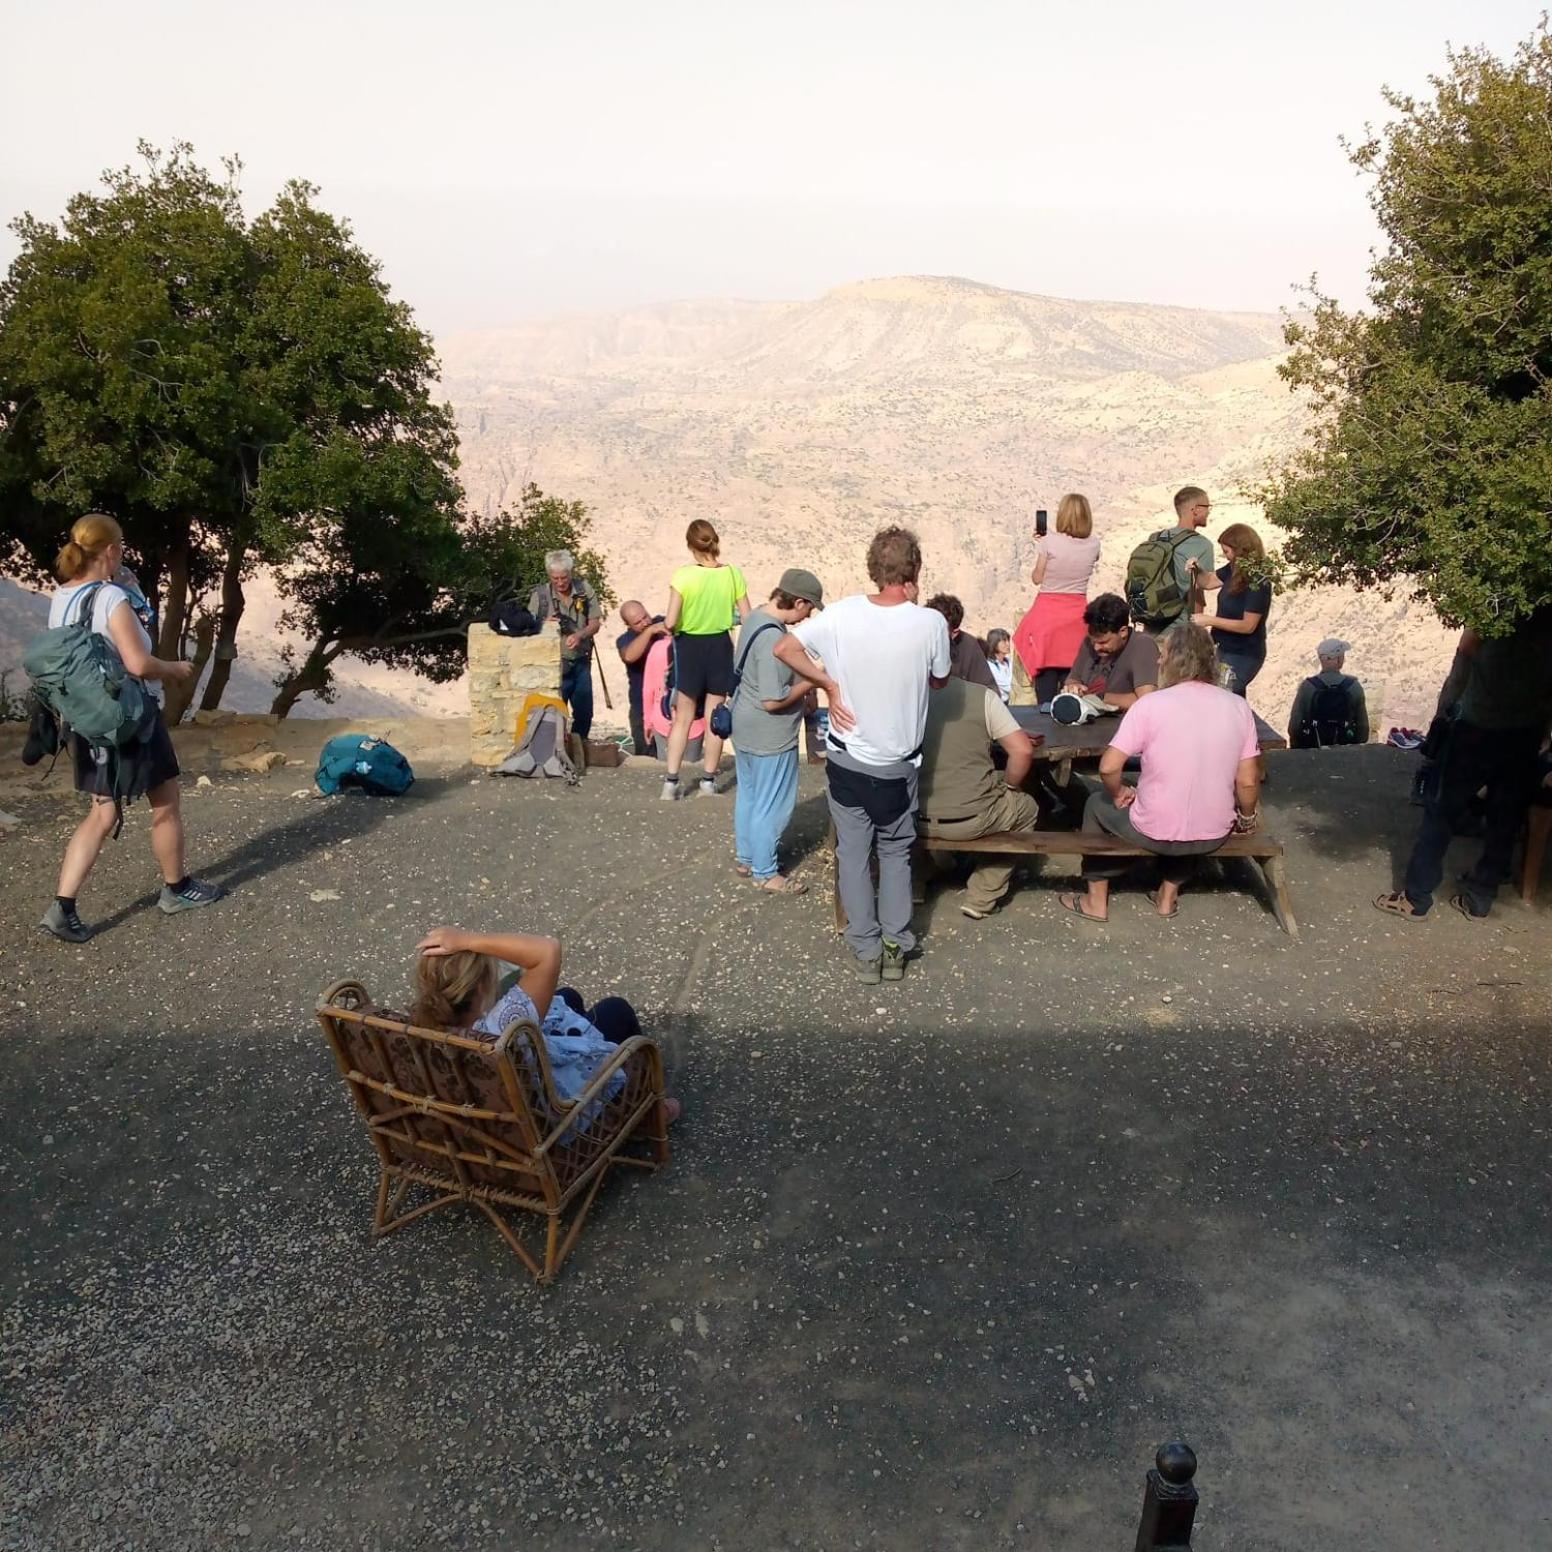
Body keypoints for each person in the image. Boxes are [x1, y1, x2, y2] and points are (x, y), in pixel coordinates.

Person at [774, 526, 950, 984]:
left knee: (853, 854)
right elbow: (939, 680)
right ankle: (895, 946)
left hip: (849, 757)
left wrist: (828, 684)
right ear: (913, 571)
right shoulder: (929, 622)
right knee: (895, 853)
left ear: (873, 568)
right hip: (899, 763)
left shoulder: (842, 615)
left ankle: (865, 949)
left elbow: (784, 646)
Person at [37, 513, 223, 943]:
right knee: (166, 802)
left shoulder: (61, 595)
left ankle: (63, 907)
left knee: (102, 812)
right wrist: (174, 667)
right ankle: (177, 889)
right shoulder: (108, 599)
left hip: (84, 720)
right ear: (111, 550)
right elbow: (138, 663)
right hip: (128, 718)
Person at [1060, 624, 1261, 923]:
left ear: (1174, 660)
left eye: (1163, 654)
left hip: (1154, 831)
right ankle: (1167, 895)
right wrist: (1247, 819)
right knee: (1195, 805)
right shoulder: (1238, 707)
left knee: (1094, 804)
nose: (1157, 661)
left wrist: (1117, 794)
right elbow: (1247, 780)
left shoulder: (1151, 705)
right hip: (1213, 834)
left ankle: (1095, 901)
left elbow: (1109, 767)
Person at [1377, 606, 1552, 921]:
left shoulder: (1494, 600)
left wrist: (1443, 711)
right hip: (1526, 729)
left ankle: (1416, 897)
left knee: (1441, 810)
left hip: (1477, 725)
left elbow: (1465, 655)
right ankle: (1480, 896)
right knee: (1505, 815)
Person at [413, 925, 680, 1123]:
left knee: (567, 997)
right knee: (615, 1010)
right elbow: (547, 950)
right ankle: (650, 1113)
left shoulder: (414, 1028)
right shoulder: (501, 1028)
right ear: (482, 987)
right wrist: (468, 939)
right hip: (549, 1116)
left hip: (488, 1116)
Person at [730, 569, 826, 894]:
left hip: (743, 724)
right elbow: (773, 700)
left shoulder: (756, 616)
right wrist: (812, 682)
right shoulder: (774, 637)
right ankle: (766, 872)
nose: (808, 615)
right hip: (769, 732)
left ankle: (747, 857)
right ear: (797, 601)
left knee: (750, 795)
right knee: (772, 803)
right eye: (808, 608)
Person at [917, 672, 1041, 920]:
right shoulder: (982, 696)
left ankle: (914, 880)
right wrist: (1009, 786)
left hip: (914, 817)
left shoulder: (902, 695)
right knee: (1028, 807)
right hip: (972, 819)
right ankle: (982, 894)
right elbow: (1022, 751)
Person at [661, 520, 750, 800]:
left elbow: (671, 620)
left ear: (690, 544)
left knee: (683, 716)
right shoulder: (732, 574)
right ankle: (708, 781)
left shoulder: (684, 575)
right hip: (720, 645)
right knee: (716, 714)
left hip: (690, 647)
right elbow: (747, 616)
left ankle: (671, 782)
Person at [1013, 494, 1102, 700]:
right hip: (1077, 619)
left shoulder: (1049, 541)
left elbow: (1037, 578)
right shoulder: (1094, 544)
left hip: (1047, 619)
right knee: (1073, 685)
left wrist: (1042, 545)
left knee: (1045, 687)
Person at [528, 551, 602, 741]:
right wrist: (544, 623)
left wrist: (580, 634)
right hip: (553, 665)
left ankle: (578, 747)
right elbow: (527, 626)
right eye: (555, 579)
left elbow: (595, 623)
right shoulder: (541, 596)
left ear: (571, 573)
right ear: (549, 576)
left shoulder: (584, 590)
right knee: (554, 713)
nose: (560, 583)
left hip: (580, 661)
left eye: (564, 577)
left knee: (584, 712)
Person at [1193, 522, 1271, 695]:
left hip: (1243, 653)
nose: (1225, 556)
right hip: (1222, 649)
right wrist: (1196, 570)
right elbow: (1208, 581)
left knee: (1225, 693)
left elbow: (1248, 625)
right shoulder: (1233, 569)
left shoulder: (1258, 582)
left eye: (1227, 552)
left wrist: (1210, 620)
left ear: (1240, 551)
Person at [1134, 486, 1219, 637]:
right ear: (1196, 510)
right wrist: (1196, 635)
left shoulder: (1156, 538)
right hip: (1179, 634)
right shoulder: (1202, 545)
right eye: (1207, 507)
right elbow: (1197, 596)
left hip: (1151, 628)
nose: (1209, 511)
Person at [1062, 593, 1160, 710]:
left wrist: (1099, 698)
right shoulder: (1089, 642)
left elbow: (1145, 700)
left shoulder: (1143, 645)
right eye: (1093, 642)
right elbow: (1073, 678)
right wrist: (1073, 687)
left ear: (1123, 631)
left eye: (1103, 642)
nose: (1096, 648)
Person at [1287, 639, 1370, 748]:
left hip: (1313, 753)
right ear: (1339, 659)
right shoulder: (1353, 687)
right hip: (1346, 754)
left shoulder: (1307, 687)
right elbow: (1363, 730)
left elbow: (1294, 727)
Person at [616, 600, 669, 755]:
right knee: (647, 754)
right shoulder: (625, 639)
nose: (645, 622)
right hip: (642, 707)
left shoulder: (660, 622)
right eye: (638, 623)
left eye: (645, 617)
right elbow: (629, 655)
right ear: (628, 625)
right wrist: (650, 631)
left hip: (668, 703)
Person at [925, 593, 997, 691]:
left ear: (954, 632)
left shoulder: (969, 647)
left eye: (939, 629)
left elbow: (989, 691)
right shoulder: (915, 641)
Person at [985, 628, 1014, 703]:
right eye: (1004, 641)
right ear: (994, 643)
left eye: (1008, 641)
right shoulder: (990, 666)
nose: (1008, 644)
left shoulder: (1008, 662)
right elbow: (1008, 687)